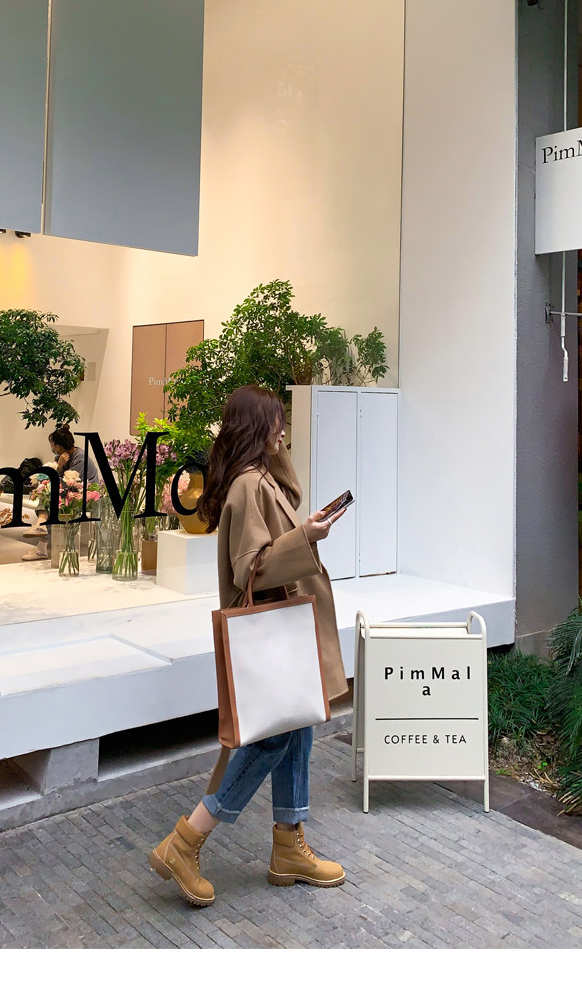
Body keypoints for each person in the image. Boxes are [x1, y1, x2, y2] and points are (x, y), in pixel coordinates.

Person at [149, 384, 349, 906]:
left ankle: (288, 845)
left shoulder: (261, 479)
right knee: (270, 740)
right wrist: (307, 538)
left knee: (297, 725)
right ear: (258, 427)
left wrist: (301, 521)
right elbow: (251, 569)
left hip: (286, 630)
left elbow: (290, 496)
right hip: (273, 631)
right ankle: (185, 841)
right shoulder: (247, 485)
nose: (284, 432)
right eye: (276, 422)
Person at [21, 424, 98, 560]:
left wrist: (60, 467)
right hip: (72, 493)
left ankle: (41, 532)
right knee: (49, 495)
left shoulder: (80, 458)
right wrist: (58, 467)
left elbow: (68, 482)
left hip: (87, 495)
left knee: (53, 501)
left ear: (58, 446)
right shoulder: (62, 457)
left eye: (52, 445)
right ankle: (41, 530)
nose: (52, 448)